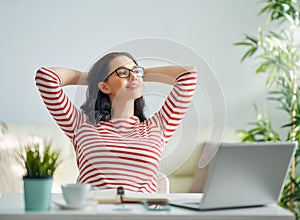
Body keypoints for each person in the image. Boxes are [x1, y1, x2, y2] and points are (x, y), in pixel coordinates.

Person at [35, 52, 197, 193]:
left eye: (135, 71)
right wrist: (92, 78)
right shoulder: (80, 125)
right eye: (122, 72)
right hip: (96, 214)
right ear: (104, 86)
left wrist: (141, 74)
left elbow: (189, 75)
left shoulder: (158, 127)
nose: (133, 76)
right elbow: (45, 78)